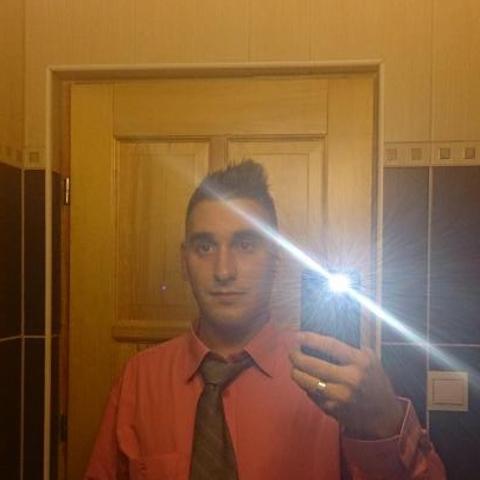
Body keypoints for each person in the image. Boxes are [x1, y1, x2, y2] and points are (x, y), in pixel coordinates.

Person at [85, 160, 445, 479]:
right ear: (184, 261)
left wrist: (385, 424)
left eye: (245, 245)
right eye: (205, 247)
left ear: (275, 259)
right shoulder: (139, 380)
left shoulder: (332, 378)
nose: (224, 271)